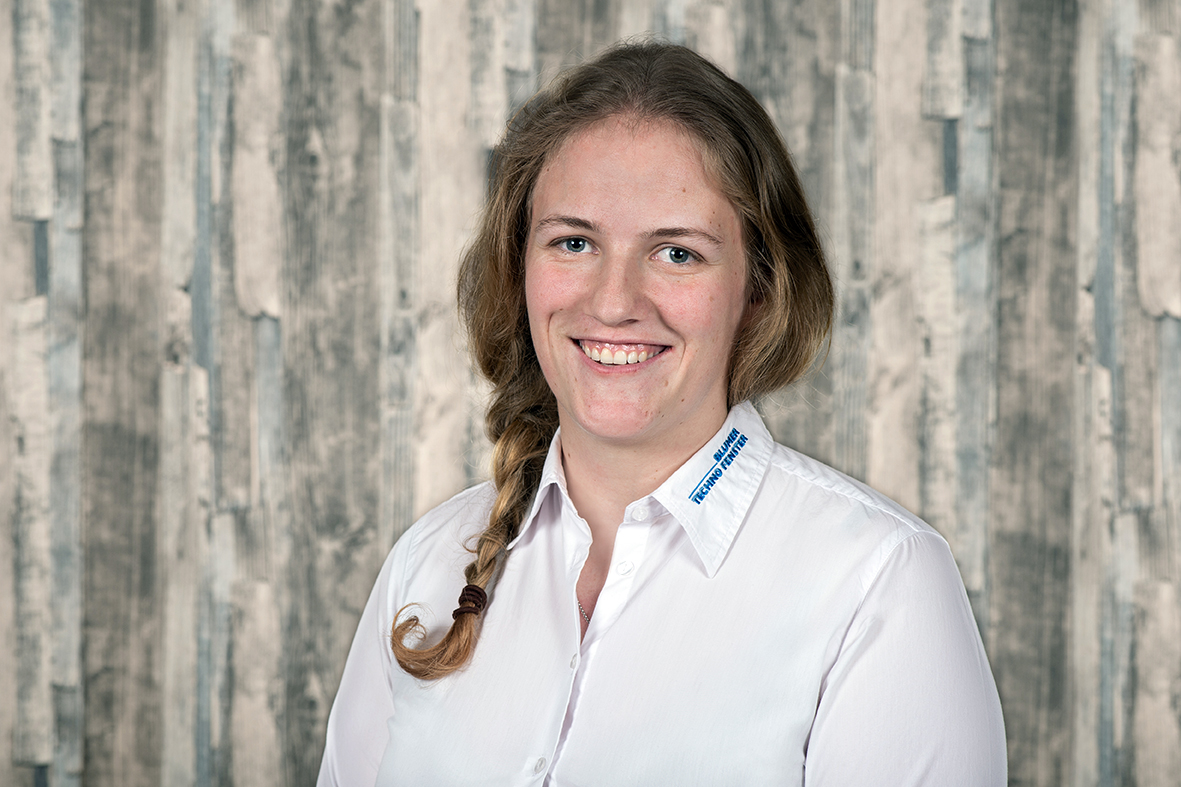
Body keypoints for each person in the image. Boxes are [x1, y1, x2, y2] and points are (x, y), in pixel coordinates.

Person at [318, 41, 1006, 786]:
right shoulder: (426, 562)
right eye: (574, 242)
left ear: (759, 290)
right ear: (518, 269)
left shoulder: (880, 582)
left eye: (676, 253)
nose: (614, 302)